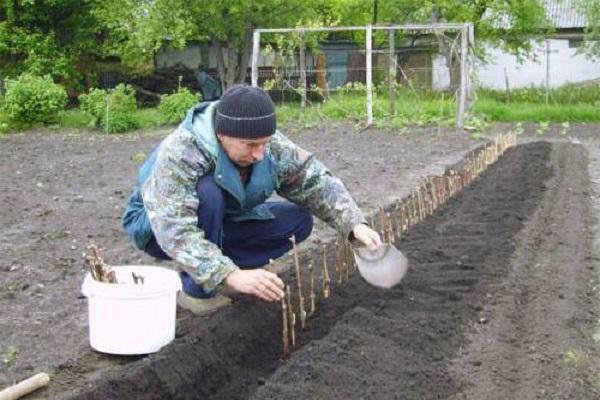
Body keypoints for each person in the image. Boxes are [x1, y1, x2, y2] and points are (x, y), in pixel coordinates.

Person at [122, 84, 381, 315]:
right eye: (251, 145)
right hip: (156, 228)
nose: (259, 154)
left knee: (298, 220)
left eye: (264, 144)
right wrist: (228, 274)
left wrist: (354, 224)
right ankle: (198, 290)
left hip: (224, 219)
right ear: (222, 135)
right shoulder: (182, 151)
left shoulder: (268, 144)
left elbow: (313, 180)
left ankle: (226, 270)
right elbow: (174, 228)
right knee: (208, 192)